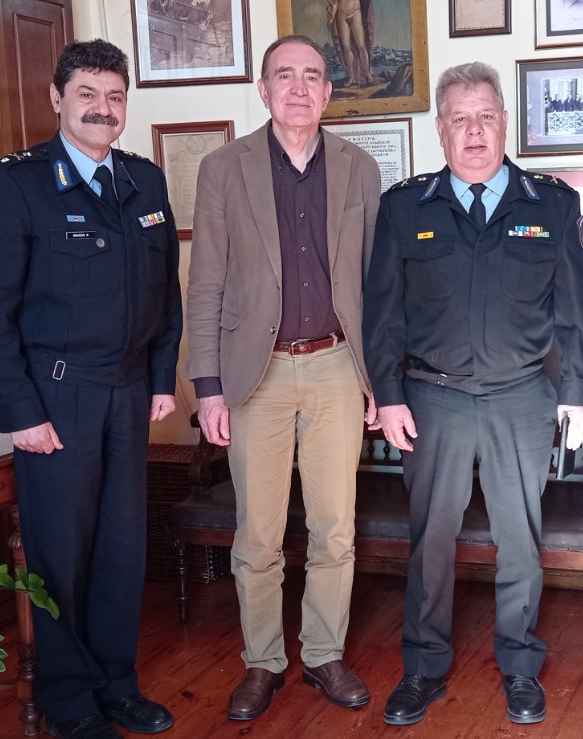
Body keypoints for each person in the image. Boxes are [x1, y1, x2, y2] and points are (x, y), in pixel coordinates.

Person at [364, 61, 583, 728]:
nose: (474, 131)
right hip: (430, 399)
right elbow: (383, 314)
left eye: (486, 117)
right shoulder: (404, 207)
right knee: (431, 540)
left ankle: (520, 665)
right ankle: (423, 667)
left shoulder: (551, 204)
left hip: (520, 397)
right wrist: (387, 394)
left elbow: (576, 310)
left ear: (504, 123)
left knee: (520, 539)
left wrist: (576, 391)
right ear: (440, 129)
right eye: (460, 119)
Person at [0, 39, 182, 739]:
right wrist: (20, 411)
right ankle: (68, 701)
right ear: (57, 98)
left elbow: (166, 294)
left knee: (122, 547)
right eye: (87, 94)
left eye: (114, 96)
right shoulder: (16, 185)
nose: (102, 109)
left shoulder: (144, 181)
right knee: (60, 552)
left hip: (128, 393)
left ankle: (116, 684)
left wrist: (161, 380)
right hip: (57, 399)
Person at [184, 34, 383, 722]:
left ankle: (324, 654)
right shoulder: (223, 168)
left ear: (328, 92)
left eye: (312, 76)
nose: (299, 88)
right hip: (256, 372)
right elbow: (204, 283)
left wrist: (379, 381)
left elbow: (376, 284)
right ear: (263, 89)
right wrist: (207, 385)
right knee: (258, 534)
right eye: (284, 75)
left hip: (337, 366)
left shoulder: (359, 168)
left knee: (335, 528)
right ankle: (263, 661)